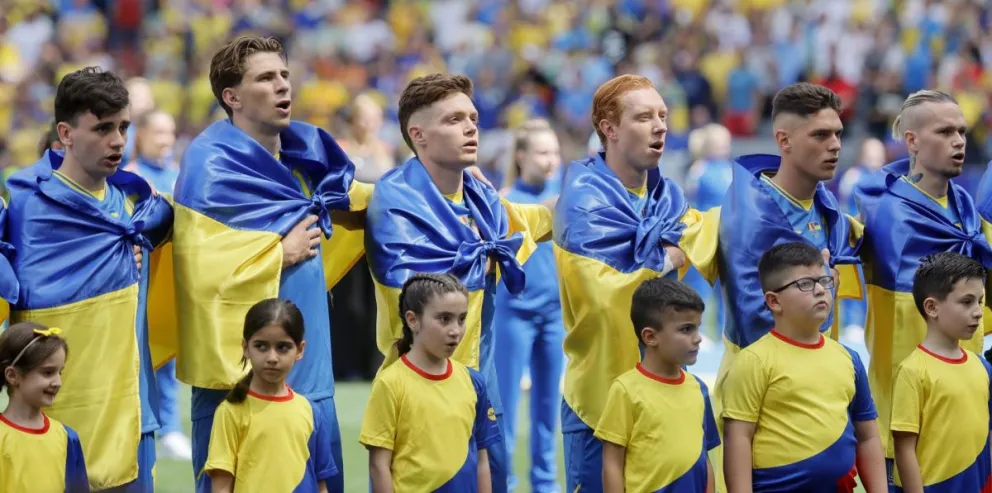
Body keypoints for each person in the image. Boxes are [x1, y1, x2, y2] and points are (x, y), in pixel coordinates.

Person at [172, 35, 370, 493]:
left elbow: (363, 200)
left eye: (284, 75)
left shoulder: (306, 165)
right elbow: (199, 273)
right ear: (232, 97)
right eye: (266, 78)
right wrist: (279, 254)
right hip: (236, 388)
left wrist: (439, 185)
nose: (283, 86)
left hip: (309, 379)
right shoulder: (210, 169)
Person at [366, 73, 554, 493]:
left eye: (472, 118)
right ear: (419, 135)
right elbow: (413, 294)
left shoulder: (482, 201)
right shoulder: (395, 202)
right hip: (421, 393)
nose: (471, 127)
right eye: (453, 120)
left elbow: (540, 217)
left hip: (481, 388)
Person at [684, 83, 865, 490]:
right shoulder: (746, 211)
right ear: (783, 140)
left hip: (825, 398)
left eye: (838, 133)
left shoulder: (829, 209)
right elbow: (752, 314)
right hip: (765, 404)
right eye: (820, 135)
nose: (835, 145)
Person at [4, 66, 174, 492]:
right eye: (102, 128)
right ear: (65, 133)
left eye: (123, 127)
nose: (118, 141)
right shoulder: (25, 214)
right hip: (47, 426)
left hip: (131, 421)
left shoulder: (138, 209)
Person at [553, 74, 700, 493]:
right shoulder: (583, 201)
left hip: (666, 396)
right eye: (644, 117)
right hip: (599, 401)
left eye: (663, 115)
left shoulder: (668, 197)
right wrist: (667, 261)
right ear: (609, 129)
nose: (660, 126)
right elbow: (603, 298)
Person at [854, 90, 992, 469]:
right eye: (945, 132)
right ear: (911, 140)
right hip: (901, 413)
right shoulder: (878, 209)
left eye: (962, 132)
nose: (959, 141)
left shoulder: (968, 210)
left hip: (965, 407)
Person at [722, 242, 886, 492]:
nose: (821, 290)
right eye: (806, 284)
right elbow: (738, 439)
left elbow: (869, 436)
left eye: (825, 281)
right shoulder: (754, 361)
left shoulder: (848, 358)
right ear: (774, 301)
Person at [360, 273, 500, 492]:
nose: (455, 330)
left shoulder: (473, 382)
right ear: (412, 320)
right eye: (444, 319)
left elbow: (482, 461)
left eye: (462, 319)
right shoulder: (390, 383)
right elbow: (379, 466)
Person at [595, 277, 720, 493]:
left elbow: (704, 458)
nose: (698, 338)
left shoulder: (698, 389)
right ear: (650, 336)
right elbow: (612, 465)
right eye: (686, 329)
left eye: (698, 328)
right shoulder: (625, 390)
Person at [493, 118, 563, 493]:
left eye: (554, 152)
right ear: (521, 157)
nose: (551, 160)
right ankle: (504, 482)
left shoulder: (564, 198)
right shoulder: (504, 199)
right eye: (542, 152)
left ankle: (546, 485)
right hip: (513, 314)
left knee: (548, 409)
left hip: (555, 316)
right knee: (506, 408)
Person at [204, 299, 337, 492]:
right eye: (261, 346)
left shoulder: (310, 411)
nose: (272, 358)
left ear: (299, 350)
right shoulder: (230, 412)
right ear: (245, 347)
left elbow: (320, 483)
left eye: (283, 347)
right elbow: (221, 486)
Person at [891, 253, 992, 491]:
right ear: (932, 307)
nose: (978, 311)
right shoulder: (913, 371)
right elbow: (904, 448)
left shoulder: (983, 367)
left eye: (980, 301)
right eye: (967, 302)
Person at [124, 108, 192, 461]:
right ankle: (142, 422)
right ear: (141, 136)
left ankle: (170, 426)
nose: (165, 140)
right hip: (138, 280)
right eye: (158, 132)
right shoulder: (130, 176)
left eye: (170, 133)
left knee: (166, 352)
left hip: (171, 280)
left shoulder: (179, 176)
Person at [0, 322, 88, 493]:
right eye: (48, 372)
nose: (58, 382)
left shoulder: (67, 438)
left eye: (59, 372)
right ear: (13, 375)